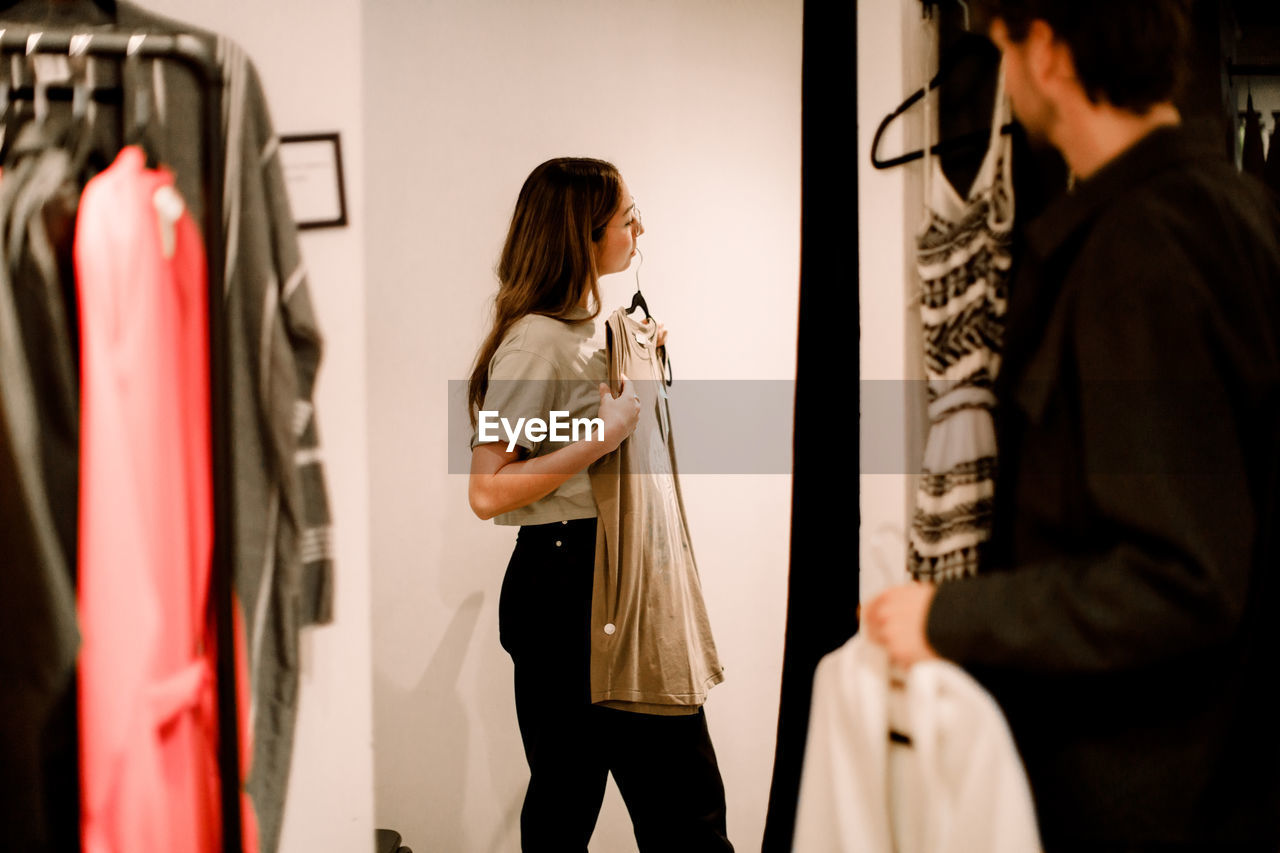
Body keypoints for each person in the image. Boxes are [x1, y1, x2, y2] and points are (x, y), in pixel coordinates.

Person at [865, 2, 1280, 851]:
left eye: (1008, 44)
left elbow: (1182, 576)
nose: (1005, 74)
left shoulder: (1145, 246)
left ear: (1049, 51)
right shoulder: (1235, 211)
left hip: (1159, 789)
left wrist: (951, 616)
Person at [467, 157, 733, 852]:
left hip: (608, 577)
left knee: (619, 803)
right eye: (626, 216)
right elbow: (489, 485)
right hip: (570, 583)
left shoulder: (599, 330)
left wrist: (639, 359)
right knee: (636, 804)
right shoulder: (534, 340)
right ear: (583, 235)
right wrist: (602, 431)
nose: (639, 226)